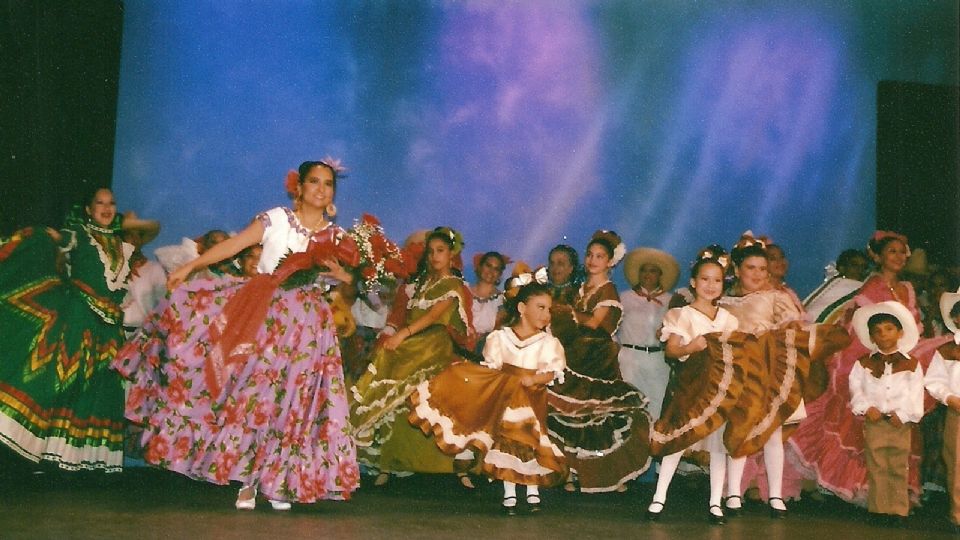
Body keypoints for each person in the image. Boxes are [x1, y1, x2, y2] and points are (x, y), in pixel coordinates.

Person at [112, 160, 360, 510]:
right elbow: (234, 246)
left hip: (308, 326)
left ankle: (278, 480)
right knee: (257, 396)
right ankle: (248, 481)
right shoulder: (276, 219)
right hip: (267, 315)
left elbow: (350, 285)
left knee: (294, 402)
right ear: (299, 187)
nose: (322, 189)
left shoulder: (336, 237)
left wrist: (344, 275)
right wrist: (191, 266)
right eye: (315, 182)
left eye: (329, 183)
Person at [0, 187, 158, 472]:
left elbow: (139, 241)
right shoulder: (79, 233)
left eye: (111, 203)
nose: (106, 208)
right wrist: (46, 236)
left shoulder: (124, 247)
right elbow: (54, 242)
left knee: (96, 392)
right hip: (78, 318)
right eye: (100, 203)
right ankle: (43, 454)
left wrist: (128, 227)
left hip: (109, 329)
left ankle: (79, 461)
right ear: (88, 209)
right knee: (60, 382)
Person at [788, 231, 951, 506]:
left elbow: (913, 332)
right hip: (875, 362)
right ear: (877, 256)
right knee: (869, 430)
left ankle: (894, 498)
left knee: (900, 427)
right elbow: (857, 331)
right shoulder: (870, 288)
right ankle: (868, 491)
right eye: (892, 252)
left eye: (902, 252)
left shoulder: (907, 289)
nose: (899, 257)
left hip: (902, 363)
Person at [409, 269, 567, 515]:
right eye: (541, 307)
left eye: (548, 309)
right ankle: (510, 493)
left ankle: (532, 491)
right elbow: (490, 371)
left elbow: (553, 371)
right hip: (506, 401)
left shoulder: (548, 343)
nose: (546, 314)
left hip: (532, 401)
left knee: (530, 442)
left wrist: (534, 378)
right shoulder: (500, 338)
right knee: (506, 444)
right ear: (522, 308)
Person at [349, 227, 476, 487]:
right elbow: (400, 314)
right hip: (414, 341)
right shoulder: (420, 285)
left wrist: (401, 335)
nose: (434, 256)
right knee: (388, 366)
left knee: (392, 362)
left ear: (451, 254)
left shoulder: (453, 285)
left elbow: (432, 318)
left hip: (431, 343)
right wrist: (394, 335)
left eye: (440, 251)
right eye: (430, 252)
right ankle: (385, 460)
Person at [547, 230, 651, 493]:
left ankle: (608, 474)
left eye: (600, 256)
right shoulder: (581, 289)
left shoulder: (608, 291)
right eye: (590, 255)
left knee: (599, 418)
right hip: (575, 357)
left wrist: (566, 312)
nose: (593, 260)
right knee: (570, 416)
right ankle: (571, 472)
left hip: (597, 362)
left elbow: (594, 323)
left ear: (610, 262)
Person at [646, 249, 739, 524]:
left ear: (724, 285)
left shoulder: (729, 320)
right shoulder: (681, 315)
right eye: (705, 279)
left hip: (719, 389)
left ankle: (715, 502)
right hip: (690, 386)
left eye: (717, 281)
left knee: (718, 445)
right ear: (694, 282)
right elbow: (672, 351)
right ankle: (659, 497)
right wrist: (692, 346)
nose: (711, 286)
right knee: (678, 440)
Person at [717, 234, 803, 517]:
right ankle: (733, 493)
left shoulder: (775, 298)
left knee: (772, 433)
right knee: (739, 429)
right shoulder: (725, 300)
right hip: (739, 373)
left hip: (767, 370)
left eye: (763, 269)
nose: (757, 274)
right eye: (751, 268)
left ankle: (775, 495)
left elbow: (794, 330)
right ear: (738, 269)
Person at [849, 302, 924, 522]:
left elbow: (915, 394)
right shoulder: (863, 364)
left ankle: (899, 510)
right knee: (877, 465)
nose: (884, 335)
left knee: (898, 465)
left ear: (900, 333)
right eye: (877, 332)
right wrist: (866, 408)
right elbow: (856, 389)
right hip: (875, 422)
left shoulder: (911, 364)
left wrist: (904, 414)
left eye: (889, 329)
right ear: (871, 338)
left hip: (899, 423)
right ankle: (879, 510)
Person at [618, 247, 679, 420]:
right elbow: (613, 326)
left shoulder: (670, 300)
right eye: (643, 270)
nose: (647, 274)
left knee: (657, 406)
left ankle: (653, 444)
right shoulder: (624, 298)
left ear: (660, 274)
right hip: (629, 357)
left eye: (653, 271)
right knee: (629, 406)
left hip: (658, 359)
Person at [925, 288, 960, 528]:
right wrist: (949, 397)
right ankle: (958, 513)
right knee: (956, 462)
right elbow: (934, 380)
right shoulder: (949, 350)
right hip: (957, 410)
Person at [470, 251, 508, 354]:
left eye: (496, 269)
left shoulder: (501, 300)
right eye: (488, 265)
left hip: (485, 350)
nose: (491, 271)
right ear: (480, 266)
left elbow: (498, 330)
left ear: (499, 274)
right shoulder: (464, 292)